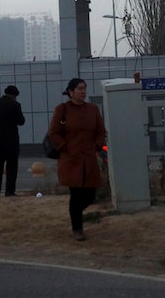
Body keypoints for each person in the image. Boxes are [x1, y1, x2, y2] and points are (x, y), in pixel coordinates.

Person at [48, 78, 106, 241]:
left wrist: (97, 145)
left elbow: (101, 131)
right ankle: (77, 229)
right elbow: (53, 132)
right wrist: (65, 147)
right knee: (76, 193)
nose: (83, 91)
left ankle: (76, 214)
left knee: (90, 195)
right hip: (71, 159)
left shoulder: (93, 109)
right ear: (71, 92)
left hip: (89, 158)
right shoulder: (62, 109)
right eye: (79, 89)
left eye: (84, 88)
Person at [0, 85, 25, 197]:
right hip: (12, 140)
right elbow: (21, 121)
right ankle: (9, 191)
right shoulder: (15, 105)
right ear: (14, 95)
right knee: (11, 166)